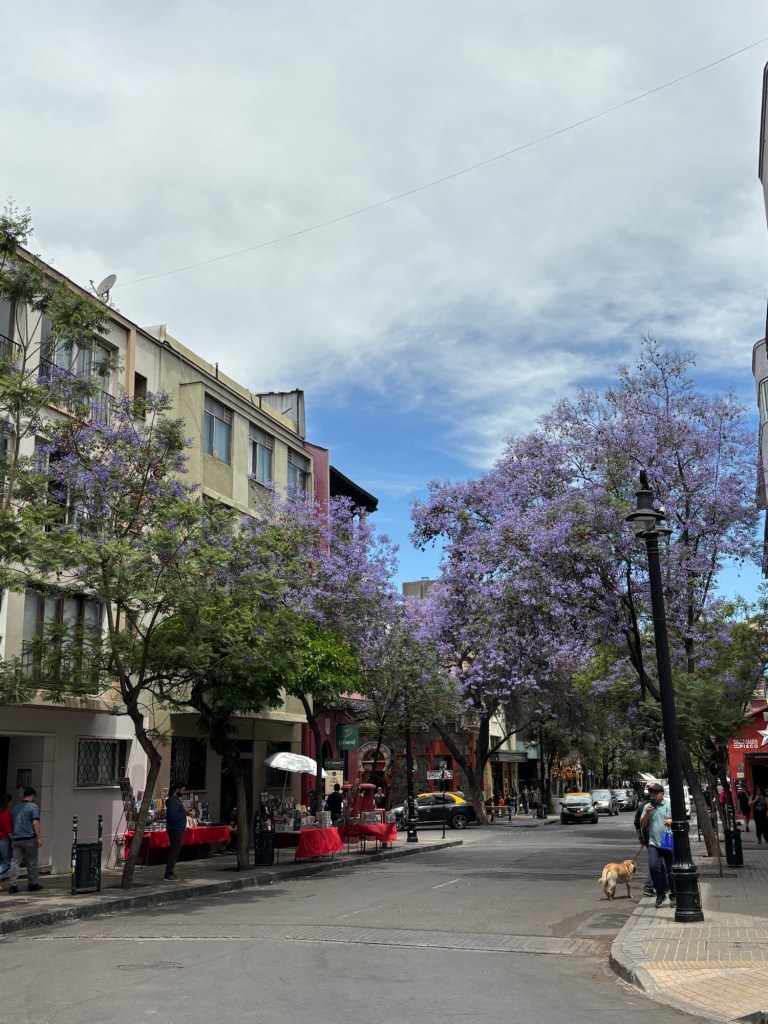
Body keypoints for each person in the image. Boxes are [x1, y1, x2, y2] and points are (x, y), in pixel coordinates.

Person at [640, 783, 675, 908]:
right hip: (653, 842)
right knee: (653, 867)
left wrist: (671, 821)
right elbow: (642, 824)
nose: (653, 795)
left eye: (656, 793)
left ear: (662, 793)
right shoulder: (648, 806)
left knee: (671, 869)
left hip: (668, 840)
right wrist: (647, 814)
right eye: (651, 793)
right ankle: (660, 893)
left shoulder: (669, 805)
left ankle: (674, 895)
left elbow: (678, 819)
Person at [8, 786, 43, 894]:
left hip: (16, 838)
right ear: (32, 796)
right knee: (31, 862)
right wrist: (38, 837)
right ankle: (32, 884)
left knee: (15, 862)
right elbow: (35, 823)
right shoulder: (33, 807)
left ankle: (13, 885)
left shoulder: (16, 807)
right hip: (29, 838)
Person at [163, 783, 187, 881]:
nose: (183, 792)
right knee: (174, 851)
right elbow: (174, 816)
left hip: (177, 828)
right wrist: (183, 812)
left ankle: (170, 871)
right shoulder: (173, 801)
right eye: (182, 790)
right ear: (177, 790)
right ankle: (168, 874)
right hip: (175, 829)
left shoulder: (175, 800)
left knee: (175, 851)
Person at [634, 796, 655, 897]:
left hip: (647, 836)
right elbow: (637, 823)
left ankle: (662, 885)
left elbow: (636, 824)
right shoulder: (645, 805)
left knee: (658, 860)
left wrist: (640, 837)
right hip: (653, 836)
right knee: (658, 860)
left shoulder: (642, 805)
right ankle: (649, 886)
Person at [0, 793, 12, 884]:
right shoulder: (6, 813)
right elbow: (8, 829)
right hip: (3, 839)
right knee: (7, 862)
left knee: (1, 861)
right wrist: (13, 840)